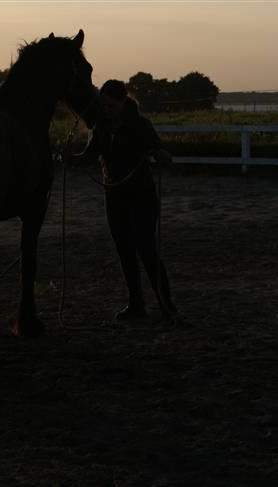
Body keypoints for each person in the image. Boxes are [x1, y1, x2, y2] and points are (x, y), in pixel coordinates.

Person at [73, 79, 179, 324]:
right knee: (125, 251)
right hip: (114, 195)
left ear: (122, 102)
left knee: (146, 249)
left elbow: (155, 148)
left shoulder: (140, 125)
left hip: (141, 195)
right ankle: (136, 303)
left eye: (110, 105)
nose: (106, 109)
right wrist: (71, 157)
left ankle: (166, 303)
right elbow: (89, 155)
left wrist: (161, 155)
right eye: (104, 105)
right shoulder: (101, 127)